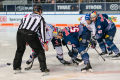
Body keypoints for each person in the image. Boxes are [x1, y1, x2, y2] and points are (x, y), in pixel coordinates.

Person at [13, 5, 49, 76]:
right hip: (30, 34)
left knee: (20, 50)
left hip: (19, 33)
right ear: (40, 11)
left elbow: (21, 26)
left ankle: (16, 68)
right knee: (40, 51)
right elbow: (42, 31)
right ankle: (43, 69)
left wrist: (24, 38)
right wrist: (44, 42)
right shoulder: (40, 18)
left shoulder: (26, 15)